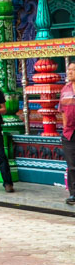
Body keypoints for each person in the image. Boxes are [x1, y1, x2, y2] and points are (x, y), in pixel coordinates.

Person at [59, 62, 75, 206]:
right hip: (70, 133)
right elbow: (63, 111)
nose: (69, 72)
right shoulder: (65, 89)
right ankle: (73, 194)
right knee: (72, 165)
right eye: (68, 69)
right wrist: (65, 129)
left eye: (73, 70)